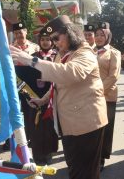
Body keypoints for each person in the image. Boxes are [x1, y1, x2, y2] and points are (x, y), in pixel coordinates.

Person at [10, 15, 108, 179]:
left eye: (56, 38)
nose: (55, 42)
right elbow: (57, 83)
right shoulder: (64, 53)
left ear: (70, 33)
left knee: (86, 173)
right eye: (51, 39)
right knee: (75, 169)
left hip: (87, 124)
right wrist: (42, 100)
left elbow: (69, 73)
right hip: (70, 123)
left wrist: (31, 60)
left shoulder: (84, 53)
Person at [3, 22, 40, 150]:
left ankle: (30, 137)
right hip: (14, 82)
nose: (19, 35)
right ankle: (10, 139)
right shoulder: (9, 48)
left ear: (26, 32)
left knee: (30, 111)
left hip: (29, 84)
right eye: (16, 33)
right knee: (13, 110)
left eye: (21, 32)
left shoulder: (35, 48)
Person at [25, 28, 59, 164]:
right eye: (43, 40)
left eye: (48, 39)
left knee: (50, 127)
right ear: (39, 41)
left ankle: (49, 153)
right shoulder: (32, 57)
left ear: (52, 41)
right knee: (36, 127)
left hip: (52, 96)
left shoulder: (57, 56)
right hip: (35, 97)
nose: (45, 42)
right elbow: (26, 77)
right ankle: (38, 155)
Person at [94, 22, 121, 170]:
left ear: (108, 36)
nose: (98, 38)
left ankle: (101, 158)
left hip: (106, 96)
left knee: (105, 128)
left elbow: (113, 76)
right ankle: (92, 156)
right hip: (89, 97)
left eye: (102, 35)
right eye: (96, 35)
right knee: (92, 128)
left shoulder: (114, 53)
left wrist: (97, 91)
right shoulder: (89, 51)